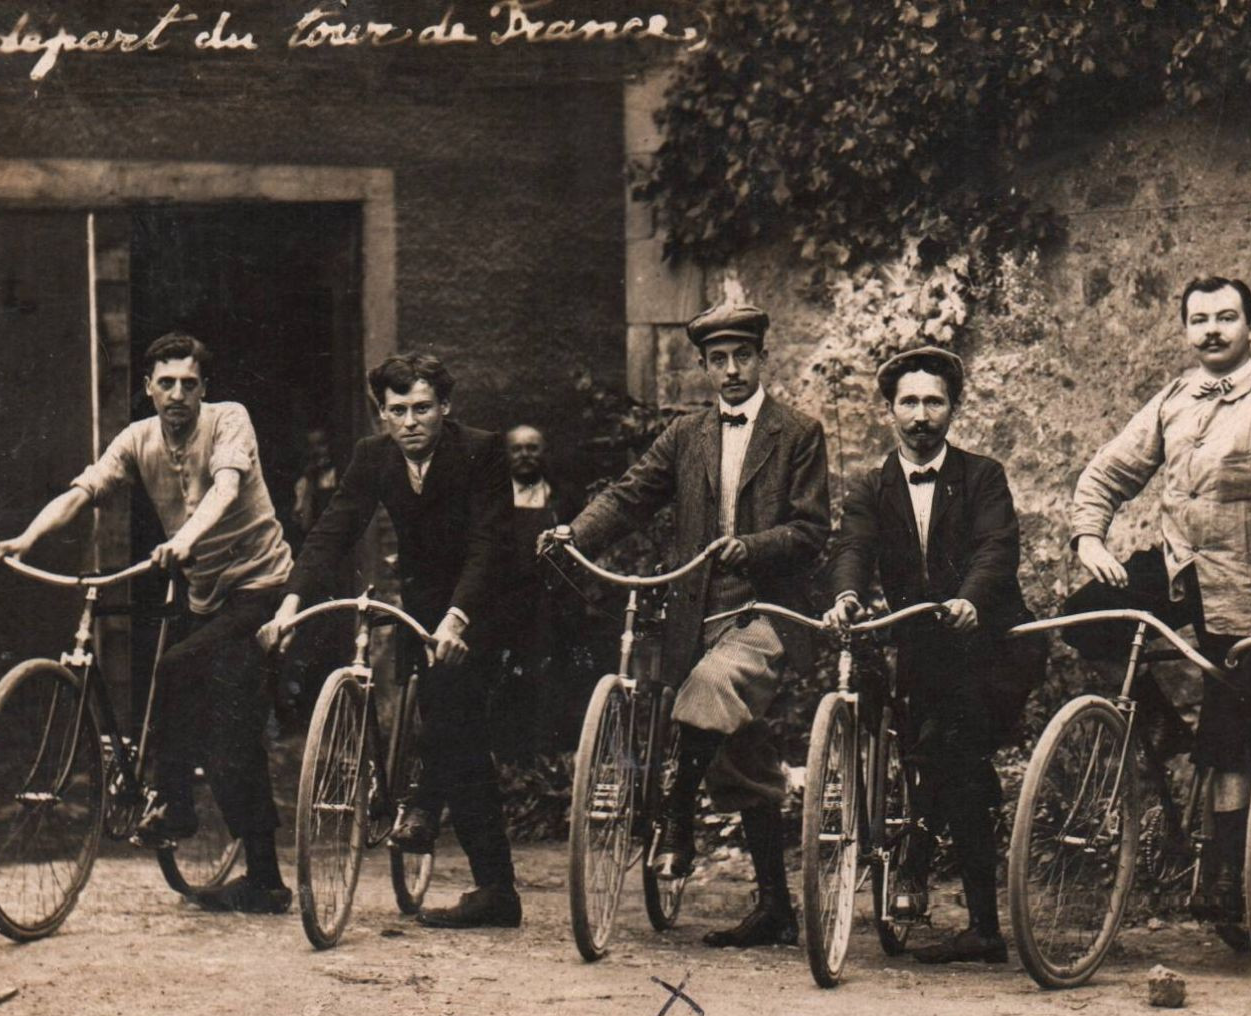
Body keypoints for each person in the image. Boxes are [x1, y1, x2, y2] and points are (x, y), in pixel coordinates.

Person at [542, 299, 831, 948]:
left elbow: (812, 531)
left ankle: (674, 814)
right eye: (717, 360)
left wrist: (752, 547)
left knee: (708, 689)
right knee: (739, 747)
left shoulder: (798, 433)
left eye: (742, 357)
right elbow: (629, 494)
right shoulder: (686, 436)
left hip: (767, 612)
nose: (730, 371)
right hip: (696, 610)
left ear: (762, 359)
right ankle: (776, 908)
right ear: (703, 367)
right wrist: (574, 532)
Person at [0, 332, 295, 913]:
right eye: (166, 383)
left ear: (204, 388)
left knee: (213, 709)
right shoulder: (137, 438)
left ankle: (183, 813)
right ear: (148, 388)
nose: (177, 394)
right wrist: (27, 537)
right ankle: (216, 836)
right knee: (183, 689)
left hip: (260, 584)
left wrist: (182, 538)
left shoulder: (231, 419)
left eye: (189, 383)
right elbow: (84, 490)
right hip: (202, 590)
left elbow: (227, 488)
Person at [1062, 276, 1251, 921]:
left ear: (1250, 326)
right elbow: (1110, 469)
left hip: (1250, 582)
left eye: (1226, 318)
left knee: (1230, 726)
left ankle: (1230, 878)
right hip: (1180, 570)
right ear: (1185, 329)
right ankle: (1164, 731)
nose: (1211, 330)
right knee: (1083, 619)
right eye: (1199, 319)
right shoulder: (1174, 398)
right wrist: (1088, 536)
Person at [257, 352, 520, 929]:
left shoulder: (480, 449)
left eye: (422, 408)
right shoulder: (372, 457)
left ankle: (431, 808)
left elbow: (488, 543)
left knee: (456, 716)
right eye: (396, 410)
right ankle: (490, 883)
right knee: (443, 715)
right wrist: (291, 603)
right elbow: (334, 528)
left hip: (485, 602)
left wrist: (459, 618)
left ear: (445, 408)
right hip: (423, 601)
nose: (409, 422)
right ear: (382, 414)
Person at [822, 347, 1047, 964]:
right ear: (890, 410)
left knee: (954, 749)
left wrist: (971, 599)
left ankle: (982, 926)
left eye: (934, 401)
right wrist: (846, 593)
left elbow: (997, 549)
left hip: (993, 647)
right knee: (924, 750)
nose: (921, 415)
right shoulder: (871, 487)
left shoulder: (982, 476)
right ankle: (917, 856)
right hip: (923, 648)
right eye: (909, 402)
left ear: (953, 407)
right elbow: (853, 547)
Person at [490, 424, 583, 757]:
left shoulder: (564, 498)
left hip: (550, 602)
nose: (525, 455)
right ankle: (506, 756)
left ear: (544, 453)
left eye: (533, 448)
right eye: (517, 448)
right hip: (505, 600)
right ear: (507, 455)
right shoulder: (494, 499)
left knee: (549, 674)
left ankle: (547, 756)